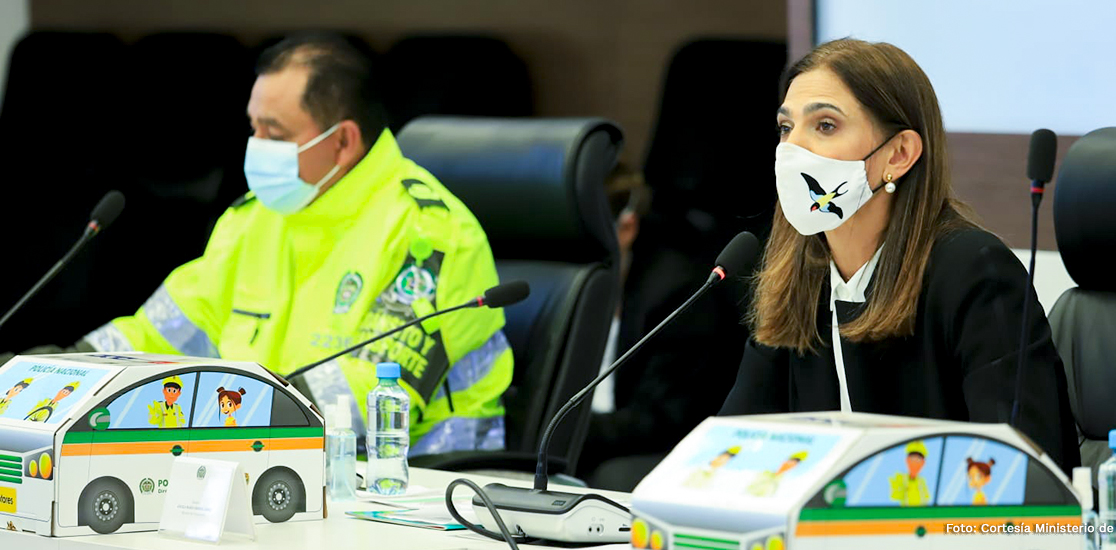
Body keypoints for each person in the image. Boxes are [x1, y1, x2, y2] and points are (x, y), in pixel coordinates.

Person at [76, 33, 512, 455]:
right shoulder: (257, 218)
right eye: (254, 128)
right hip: (273, 462)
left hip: (423, 489)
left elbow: (368, 399)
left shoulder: (428, 234)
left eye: (276, 134)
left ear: (343, 142)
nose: (255, 147)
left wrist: (217, 414)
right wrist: (65, 370)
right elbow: (161, 334)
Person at [719, 38, 1079, 472]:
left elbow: (1020, 478)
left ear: (899, 154)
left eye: (825, 126)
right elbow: (731, 457)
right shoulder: (800, 274)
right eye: (785, 128)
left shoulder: (975, 273)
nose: (793, 150)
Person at [578, 165, 750, 491]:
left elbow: (663, 420)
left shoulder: (675, 292)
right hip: (585, 443)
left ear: (626, 227)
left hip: (658, 450)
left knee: (611, 477)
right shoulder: (554, 284)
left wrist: (565, 427)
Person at [889, 440, 931, 506]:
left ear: (923, 463)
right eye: (912, 459)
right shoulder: (899, 478)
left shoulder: (922, 481)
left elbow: (926, 500)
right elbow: (894, 498)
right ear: (907, 460)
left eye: (918, 460)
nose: (915, 463)